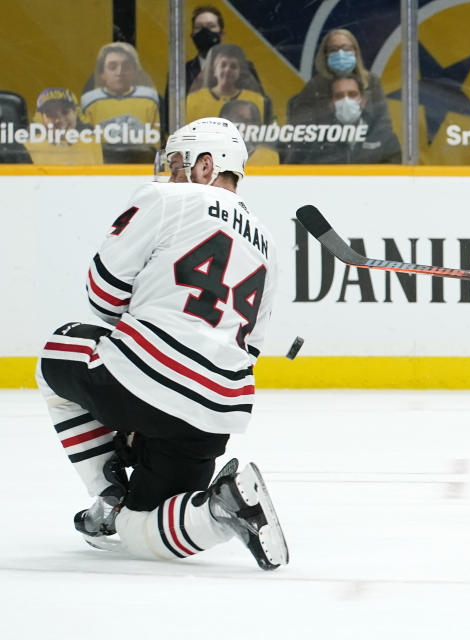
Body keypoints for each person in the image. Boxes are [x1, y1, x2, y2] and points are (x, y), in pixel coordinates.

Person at [35, 117, 288, 569]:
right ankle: (220, 508)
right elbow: (250, 349)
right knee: (139, 529)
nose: (170, 173)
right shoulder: (267, 243)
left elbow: (103, 294)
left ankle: (108, 494)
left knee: (56, 355)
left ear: (206, 165)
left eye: (177, 163)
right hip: (216, 414)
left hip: (142, 378)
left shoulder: (165, 197)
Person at [287, 28, 390, 129]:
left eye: (346, 49)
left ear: (355, 51)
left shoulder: (371, 81)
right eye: (333, 50)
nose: (340, 54)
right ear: (325, 54)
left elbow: (383, 123)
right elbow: (300, 126)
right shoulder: (314, 86)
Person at [286, 75, 400, 164]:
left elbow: (397, 178)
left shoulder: (384, 137)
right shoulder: (315, 139)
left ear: (363, 101)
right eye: (339, 96)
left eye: (352, 94)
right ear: (331, 103)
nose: (346, 100)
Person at [80, 42, 161, 162]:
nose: (119, 72)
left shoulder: (150, 98)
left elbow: (157, 145)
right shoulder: (89, 101)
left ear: (135, 71)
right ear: (102, 74)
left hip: (143, 166)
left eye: (126, 66)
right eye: (112, 67)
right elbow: (86, 146)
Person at [186, 43, 271, 124]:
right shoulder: (193, 100)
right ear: (214, 70)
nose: (227, 70)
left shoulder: (257, 100)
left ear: (239, 72)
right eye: (223, 65)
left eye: (233, 66)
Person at [25, 88, 103, 165]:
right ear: (42, 118)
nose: (60, 120)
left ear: (75, 112)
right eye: (51, 115)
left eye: (65, 112)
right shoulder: (29, 146)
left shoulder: (91, 143)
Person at [219, 99, 279, 165]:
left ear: (255, 126)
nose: (241, 125)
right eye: (237, 119)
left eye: (247, 121)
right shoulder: (212, 153)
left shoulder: (269, 156)